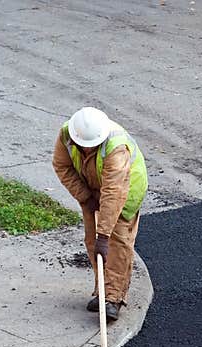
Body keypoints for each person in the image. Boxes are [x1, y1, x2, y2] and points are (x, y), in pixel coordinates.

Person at [52, 106, 148, 321]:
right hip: (91, 189)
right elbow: (62, 166)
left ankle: (113, 298)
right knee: (92, 242)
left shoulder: (116, 146)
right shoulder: (67, 135)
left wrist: (104, 235)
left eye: (92, 147)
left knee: (116, 242)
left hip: (125, 189)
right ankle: (103, 290)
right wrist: (85, 196)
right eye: (83, 147)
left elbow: (114, 192)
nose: (87, 150)